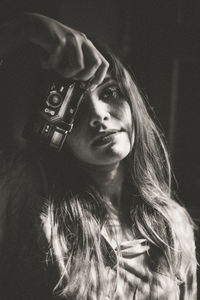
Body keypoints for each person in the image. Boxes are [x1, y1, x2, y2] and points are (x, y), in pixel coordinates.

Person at [0, 13, 197, 300]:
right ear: (54, 128)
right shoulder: (29, 199)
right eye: (76, 107)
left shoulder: (172, 222)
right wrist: (20, 30)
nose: (99, 115)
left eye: (110, 93)